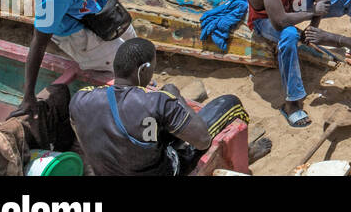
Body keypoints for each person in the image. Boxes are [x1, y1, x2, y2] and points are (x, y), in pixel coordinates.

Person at [69, 38, 249, 176]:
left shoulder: (80, 99)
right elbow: (202, 140)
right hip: (164, 170)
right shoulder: (158, 101)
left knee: (154, 128)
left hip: (110, 170)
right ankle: (244, 153)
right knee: (229, 103)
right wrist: (176, 97)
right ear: (143, 70)